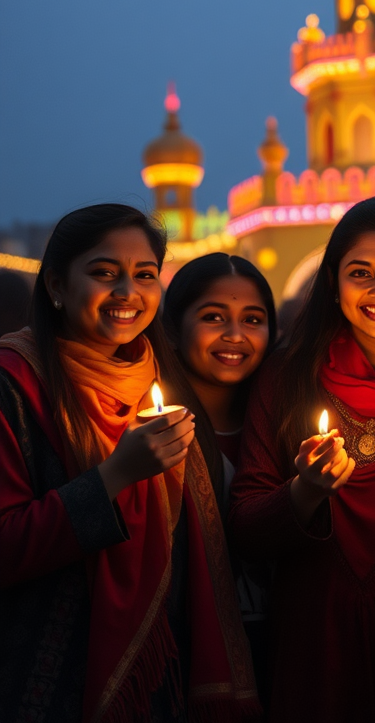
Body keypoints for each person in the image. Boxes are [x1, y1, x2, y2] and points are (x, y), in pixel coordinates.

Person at [0, 204, 259, 723]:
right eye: (104, 273)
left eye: (144, 275)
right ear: (55, 284)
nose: (127, 293)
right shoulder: (15, 383)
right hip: (42, 673)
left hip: (159, 674)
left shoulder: (160, 381)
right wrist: (116, 475)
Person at [228, 195, 375, 723]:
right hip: (314, 631)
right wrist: (303, 492)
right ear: (332, 282)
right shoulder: (289, 377)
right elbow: (243, 526)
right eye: (361, 273)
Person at [163, 252, 277, 702]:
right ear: (172, 328)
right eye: (214, 317)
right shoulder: (152, 435)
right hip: (183, 657)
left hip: (281, 650)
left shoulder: (284, 429)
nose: (236, 336)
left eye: (253, 319)